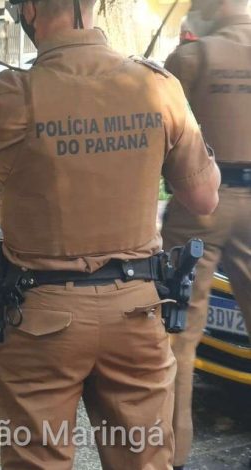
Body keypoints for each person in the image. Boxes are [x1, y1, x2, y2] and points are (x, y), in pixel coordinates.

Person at [0, 0, 220, 466]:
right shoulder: (158, 85)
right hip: (138, 312)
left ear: (32, 10)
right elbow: (204, 198)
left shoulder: (5, 92)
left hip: (42, 319)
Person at [161, 1, 251, 468]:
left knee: (178, 335)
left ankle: (172, 456)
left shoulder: (192, 58)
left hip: (202, 202)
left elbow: (164, 133)